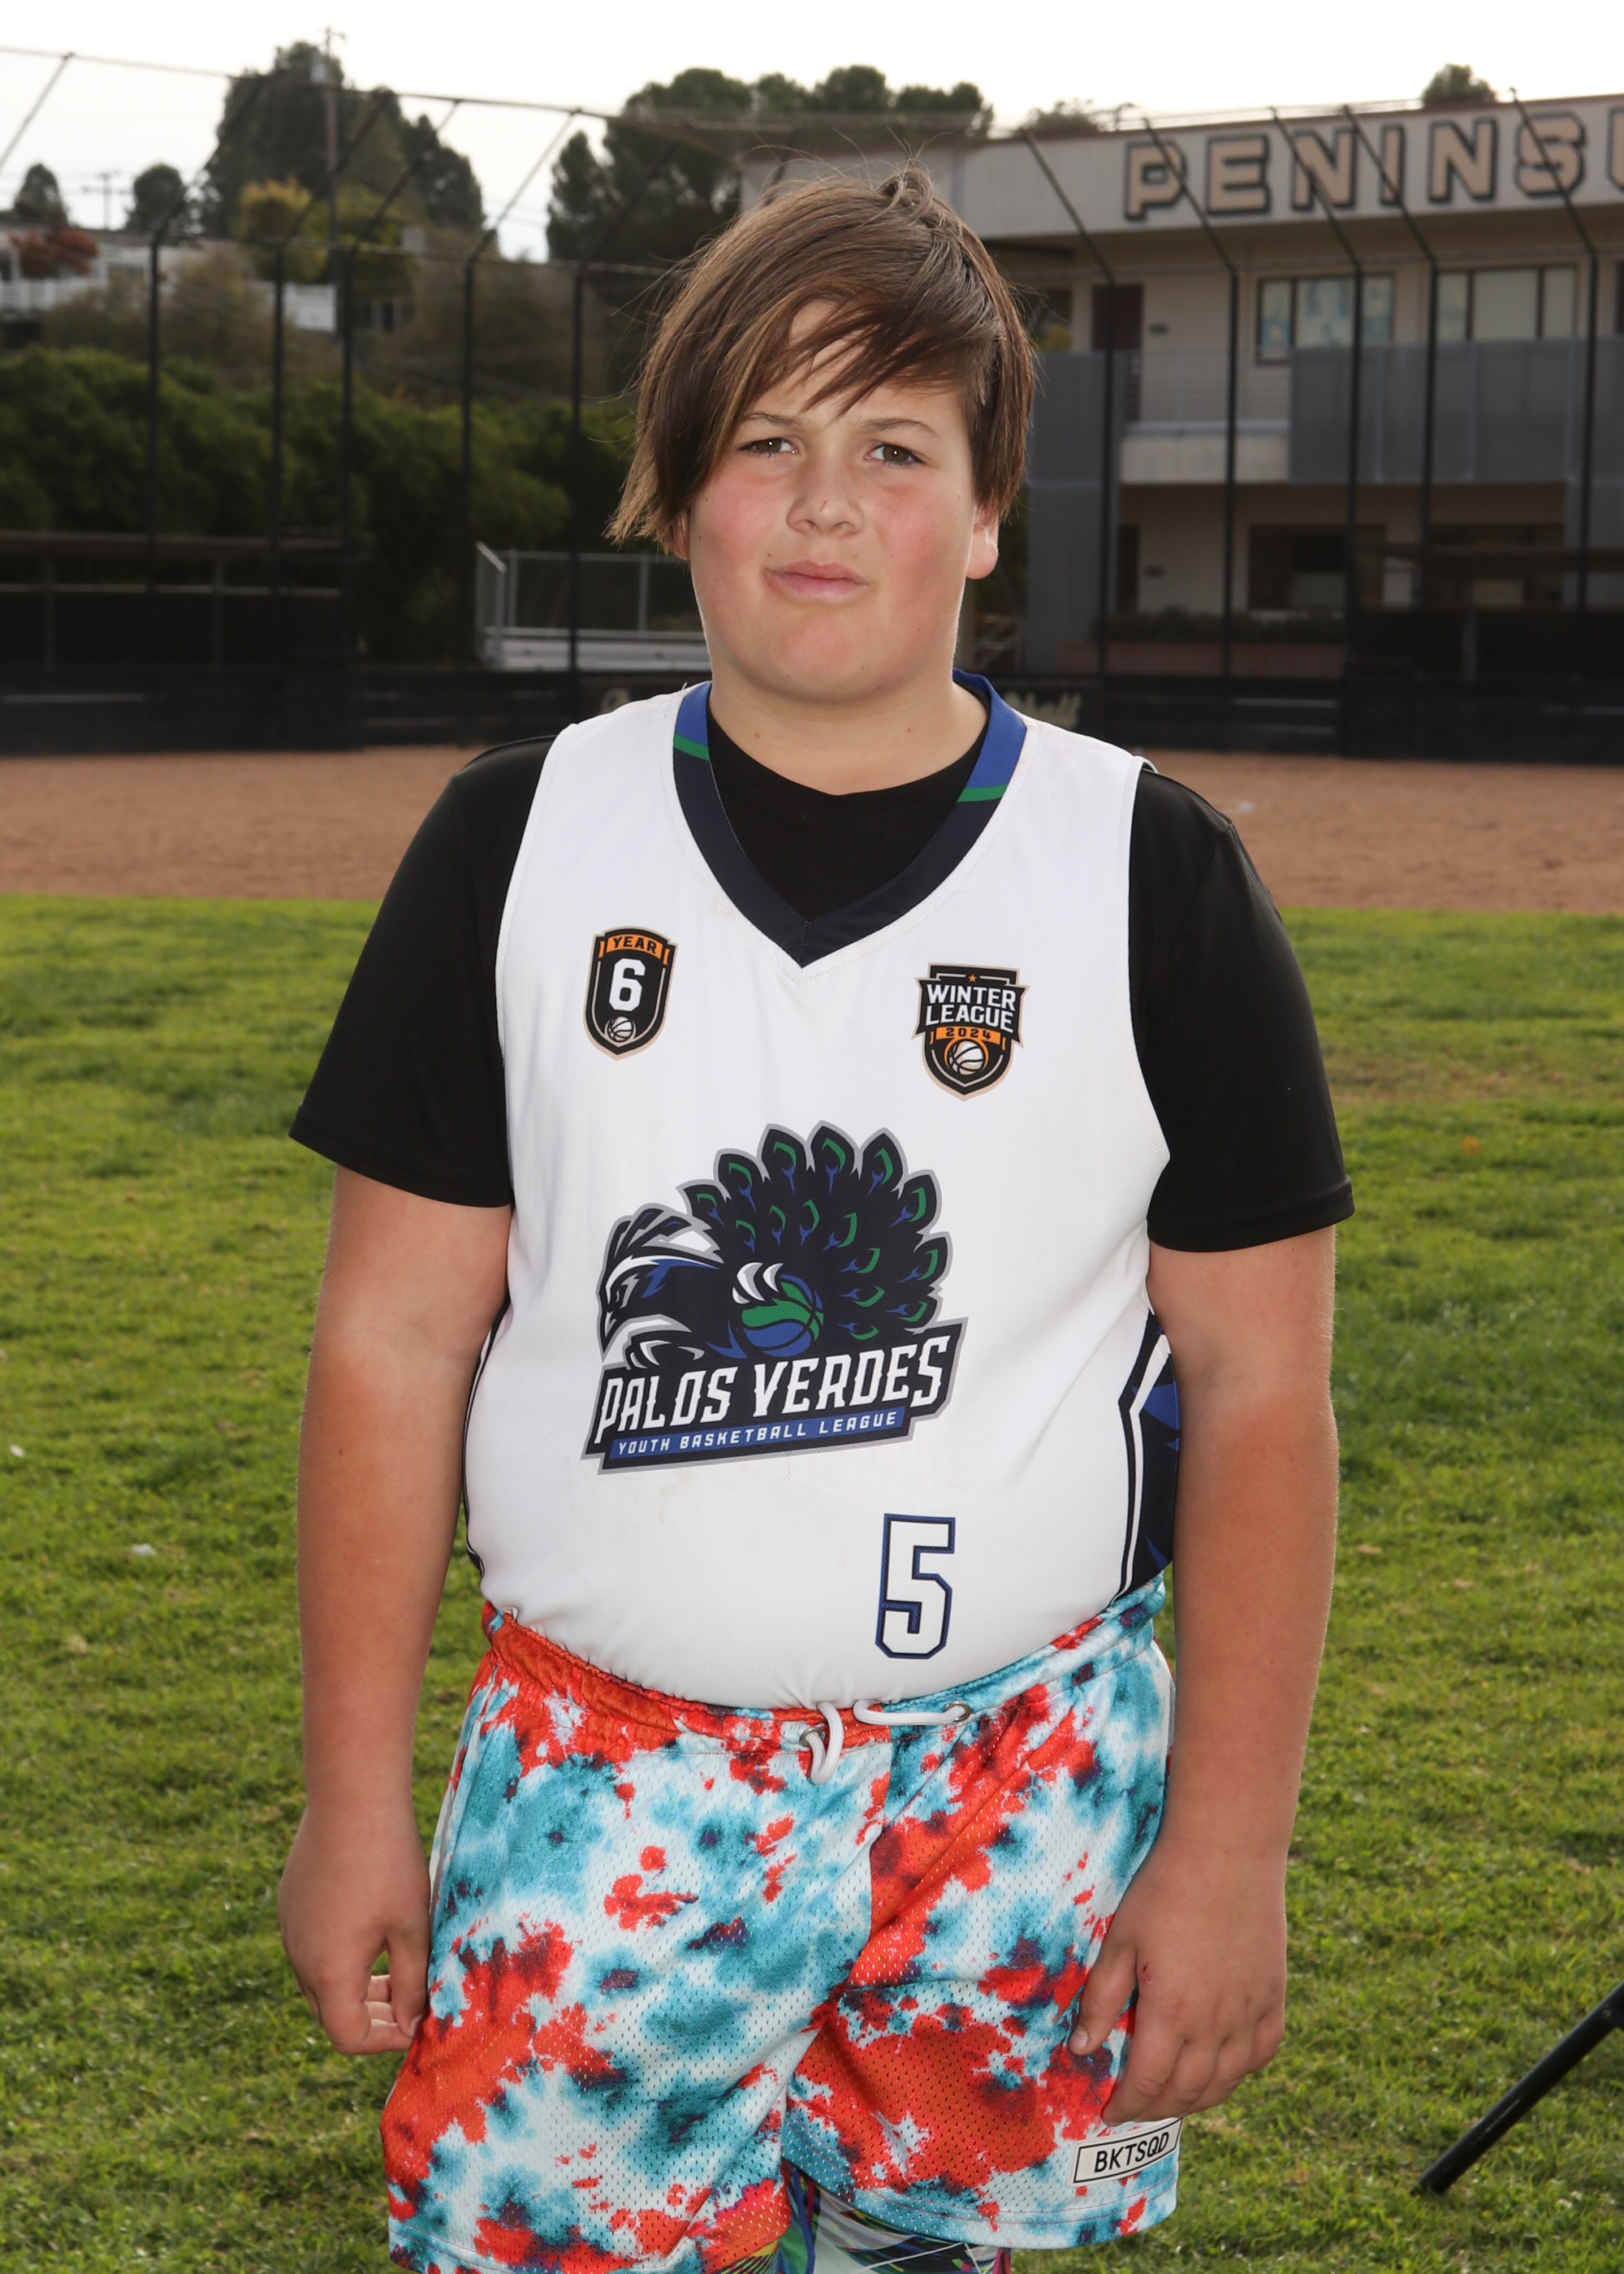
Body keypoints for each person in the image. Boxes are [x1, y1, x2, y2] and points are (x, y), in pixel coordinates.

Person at [279, 170, 1350, 2274]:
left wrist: (1229, 1851)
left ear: (988, 509)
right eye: (766, 440)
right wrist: (351, 1794)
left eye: (895, 448)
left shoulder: (1154, 874)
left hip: (1025, 1798)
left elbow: (1262, 1388)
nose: (826, 503)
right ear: (680, 493)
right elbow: (391, 1344)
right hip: (601, 1787)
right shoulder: (517, 841)